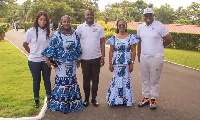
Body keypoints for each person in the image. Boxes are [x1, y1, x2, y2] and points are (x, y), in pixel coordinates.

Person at [42, 15, 83, 113]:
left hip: (72, 62)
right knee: (62, 81)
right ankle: (60, 104)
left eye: (68, 21)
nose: (66, 23)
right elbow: (52, 47)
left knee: (71, 81)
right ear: (61, 23)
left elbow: (78, 47)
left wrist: (78, 59)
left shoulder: (75, 34)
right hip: (61, 64)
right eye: (64, 21)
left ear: (71, 22)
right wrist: (48, 59)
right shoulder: (57, 34)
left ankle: (72, 104)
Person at [137, 8, 172, 110]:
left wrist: (160, 47)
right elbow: (139, 41)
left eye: (150, 15)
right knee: (144, 78)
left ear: (153, 15)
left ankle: (153, 98)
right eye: (146, 15)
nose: (148, 17)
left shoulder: (160, 26)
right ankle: (145, 97)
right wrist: (139, 54)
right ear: (143, 16)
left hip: (156, 57)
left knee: (154, 79)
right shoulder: (140, 27)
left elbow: (169, 39)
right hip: (144, 56)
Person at [76, 8, 105, 107]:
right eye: (87, 14)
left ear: (94, 15)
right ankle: (86, 99)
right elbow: (77, 43)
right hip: (84, 59)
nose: (89, 16)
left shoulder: (99, 27)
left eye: (91, 14)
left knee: (95, 80)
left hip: (96, 58)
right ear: (85, 16)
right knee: (86, 80)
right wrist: (78, 58)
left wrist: (102, 56)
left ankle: (94, 99)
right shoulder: (80, 28)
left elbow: (102, 42)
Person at [106, 19, 139, 106]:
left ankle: (126, 100)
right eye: (120, 25)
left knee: (126, 81)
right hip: (116, 63)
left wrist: (132, 63)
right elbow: (111, 51)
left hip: (126, 64)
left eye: (123, 25)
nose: (121, 27)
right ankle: (115, 100)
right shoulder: (113, 38)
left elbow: (133, 51)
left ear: (126, 26)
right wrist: (110, 63)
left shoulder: (131, 37)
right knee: (116, 80)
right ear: (117, 26)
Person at [23, 11, 52, 108]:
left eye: (45, 20)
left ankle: (49, 98)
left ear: (47, 21)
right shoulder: (31, 31)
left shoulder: (49, 32)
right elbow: (25, 44)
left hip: (45, 61)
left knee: (47, 80)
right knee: (36, 80)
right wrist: (31, 53)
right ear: (37, 20)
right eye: (41, 19)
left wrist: (49, 59)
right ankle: (36, 100)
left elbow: (51, 47)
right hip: (34, 61)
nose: (43, 21)